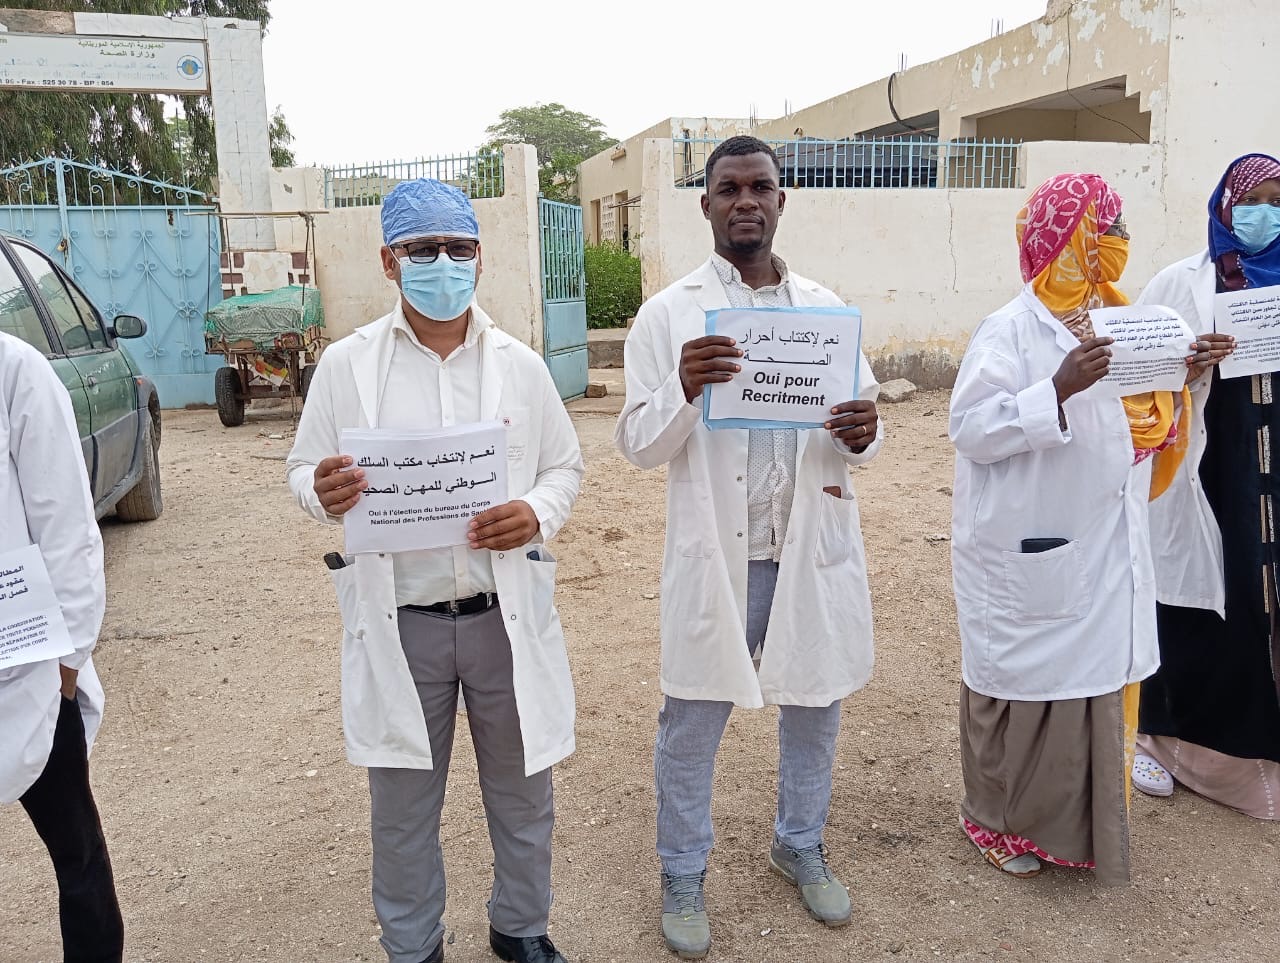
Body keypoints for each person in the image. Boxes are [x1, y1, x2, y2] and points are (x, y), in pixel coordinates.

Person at [286, 179, 584, 963]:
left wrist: (537, 512)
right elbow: (301, 468)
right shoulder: (348, 366)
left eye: (459, 248)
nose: (444, 263)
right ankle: (413, 945)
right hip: (404, 624)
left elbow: (564, 465)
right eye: (424, 249)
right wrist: (320, 490)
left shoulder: (520, 365)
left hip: (501, 618)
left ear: (480, 257)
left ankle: (521, 927)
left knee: (523, 794)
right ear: (390, 261)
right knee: (403, 810)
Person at [615, 135, 882, 959]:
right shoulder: (670, 315)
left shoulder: (825, 310)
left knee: (815, 706)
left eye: (759, 186)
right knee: (692, 719)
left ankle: (798, 842)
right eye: (728, 188)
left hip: (806, 548)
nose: (745, 201)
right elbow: (637, 444)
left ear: (780, 199)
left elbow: (861, 422)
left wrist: (865, 431)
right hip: (719, 559)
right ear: (705, 204)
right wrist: (683, 386)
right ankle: (683, 869)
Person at [948, 173, 1220, 884]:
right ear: (1065, 238)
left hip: (1104, 540)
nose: (1119, 238)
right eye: (1107, 225)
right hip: (1029, 539)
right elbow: (970, 427)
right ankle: (991, 821)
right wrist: (1058, 389)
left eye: (1121, 224)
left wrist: (1186, 374)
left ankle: (1076, 832)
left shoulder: (1126, 319)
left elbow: (1146, 430)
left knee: (1090, 682)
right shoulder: (1010, 329)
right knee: (1020, 687)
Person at [1134, 153, 1280, 819]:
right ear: (1226, 206)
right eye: (1254, 200)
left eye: (1277, 202)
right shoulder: (1179, 283)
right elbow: (1134, 376)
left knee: (1262, 597)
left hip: (1270, 468)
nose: (1265, 214)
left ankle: (1261, 748)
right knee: (1198, 597)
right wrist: (1189, 361)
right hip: (1210, 465)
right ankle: (1163, 739)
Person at [1, 328, 123, 961]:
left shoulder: (14, 371)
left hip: (27, 669)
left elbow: (67, 528)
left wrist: (67, 663)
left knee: (75, 853)